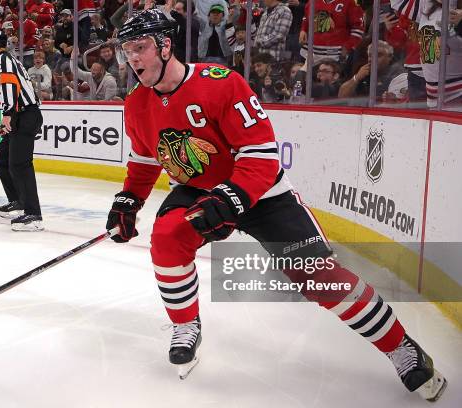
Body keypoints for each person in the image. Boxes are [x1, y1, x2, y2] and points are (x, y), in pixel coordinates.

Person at [106, 9, 447, 401]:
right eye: (127, 50)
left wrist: (232, 199)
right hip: (199, 190)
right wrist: (128, 200)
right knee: (167, 237)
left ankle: (402, 347)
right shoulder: (136, 102)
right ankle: (186, 324)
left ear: (165, 46)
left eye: (140, 47)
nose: (132, 58)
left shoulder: (220, 84)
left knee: (320, 279)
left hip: (263, 193)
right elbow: (146, 159)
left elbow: (262, 154)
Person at [0, 27, 44, 231]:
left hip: (25, 115)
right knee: (1, 158)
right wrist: (9, 116)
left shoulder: (2, 60)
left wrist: (7, 113)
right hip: (21, 115)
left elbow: (10, 85)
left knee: (20, 164)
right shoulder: (7, 59)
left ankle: (33, 215)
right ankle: (18, 201)